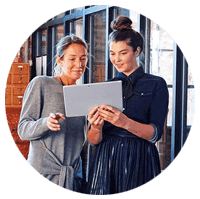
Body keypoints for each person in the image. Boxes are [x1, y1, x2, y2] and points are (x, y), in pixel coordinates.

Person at [86, 16, 169, 195]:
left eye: (123, 53)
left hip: (140, 158)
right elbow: (93, 141)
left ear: (137, 51)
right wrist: (95, 127)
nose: (116, 59)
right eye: (112, 53)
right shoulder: (104, 87)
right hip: (105, 158)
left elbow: (155, 134)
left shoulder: (156, 84)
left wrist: (124, 122)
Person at [18, 35, 88, 192]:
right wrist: (45, 123)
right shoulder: (41, 83)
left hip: (72, 180)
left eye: (83, 59)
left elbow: (82, 143)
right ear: (60, 60)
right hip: (43, 173)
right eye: (72, 59)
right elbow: (23, 129)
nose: (79, 64)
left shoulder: (83, 94)